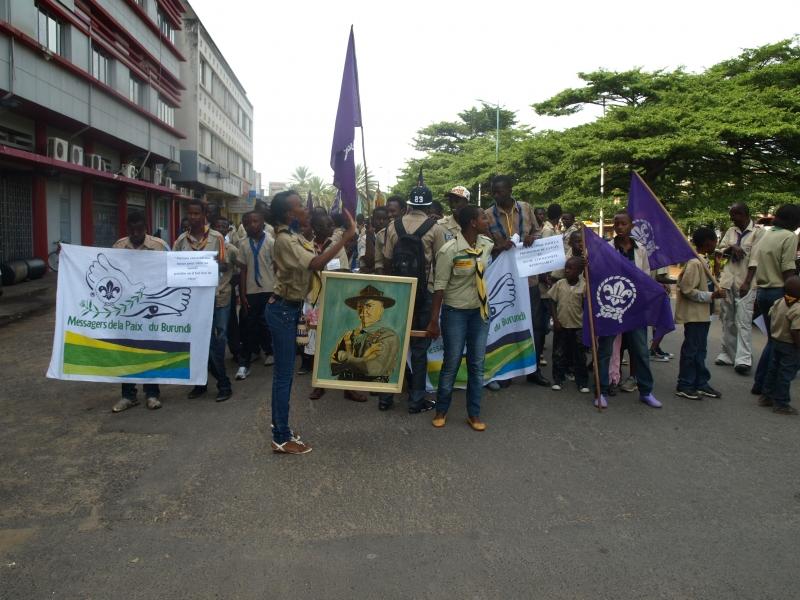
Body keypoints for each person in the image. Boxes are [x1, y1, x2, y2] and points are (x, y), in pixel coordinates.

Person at [267, 190, 355, 454]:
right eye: (299, 208)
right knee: (283, 377)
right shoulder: (284, 240)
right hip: (282, 310)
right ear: (288, 214)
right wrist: (346, 238)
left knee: (285, 377)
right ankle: (281, 437)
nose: (306, 210)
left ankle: (282, 428)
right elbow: (316, 263)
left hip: (289, 308)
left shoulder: (293, 236)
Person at [427, 205, 494, 431]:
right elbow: (439, 287)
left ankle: (473, 414)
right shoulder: (449, 250)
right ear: (473, 222)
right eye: (484, 217)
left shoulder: (487, 245)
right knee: (452, 362)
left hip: (480, 313)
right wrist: (434, 319)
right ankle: (441, 410)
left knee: (477, 364)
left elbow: (501, 250)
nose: (488, 220)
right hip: (455, 313)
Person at [382, 184, 447, 413]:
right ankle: (416, 400)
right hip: (423, 294)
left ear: (408, 205)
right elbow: (441, 264)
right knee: (419, 349)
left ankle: (385, 398)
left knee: (393, 344)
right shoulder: (435, 229)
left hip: (398, 294)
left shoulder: (393, 226)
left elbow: (388, 260)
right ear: (428, 206)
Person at [485, 175, 550, 387]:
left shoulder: (525, 208)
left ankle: (533, 369)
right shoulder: (488, 214)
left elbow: (537, 232)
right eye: (493, 192)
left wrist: (533, 238)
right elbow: (484, 245)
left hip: (529, 278)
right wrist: (497, 246)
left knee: (535, 324)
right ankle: (506, 371)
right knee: (506, 324)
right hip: (504, 281)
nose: (496, 195)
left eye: (500, 191)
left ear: (510, 189)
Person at [595, 211, 661, 409]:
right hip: (611, 306)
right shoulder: (606, 248)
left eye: (623, 223)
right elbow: (600, 274)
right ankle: (601, 391)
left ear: (631, 226)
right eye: (616, 224)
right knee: (606, 349)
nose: (619, 227)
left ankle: (646, 391)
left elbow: (647, 276)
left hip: (635, 307)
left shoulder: (640, 249)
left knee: (640, 350)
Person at [173, 200, 233, 403]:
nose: (193, 217)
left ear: (205, 214)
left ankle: (224, 384)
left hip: (213, 297)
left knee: (215, 343)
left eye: (197, 213)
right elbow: (173, 266)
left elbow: (226, 267)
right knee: (196, 343)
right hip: (191, 301)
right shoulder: (181, 240)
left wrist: (216, 263)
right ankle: (200, 383)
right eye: (190, 213)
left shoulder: (217, 238)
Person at [111, 211, 170, 413]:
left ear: (146, 228)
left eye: (140, 229)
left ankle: (152, 393)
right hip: (126, 308)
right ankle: (128, 395)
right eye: (132, 230)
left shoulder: (159, 247)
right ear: (127, 229)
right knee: (126, 351)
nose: (136, 234)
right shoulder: (119, 247)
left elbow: (169, 272)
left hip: (150, 307)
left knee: (149, 348)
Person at [307, 213, 366, 402]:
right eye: (326, 224)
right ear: (315, 227)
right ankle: (320, 385)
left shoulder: (336, 245)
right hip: (313, 300)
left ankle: (348, 388)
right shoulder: (306, 245)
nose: (331, 227)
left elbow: (343, 270)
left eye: (332, 224)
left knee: (344, 343)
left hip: (336, 299)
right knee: (317, 345)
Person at [751, 204, 800, 395]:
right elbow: (788, 269)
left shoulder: (766, 233)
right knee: (781, 343)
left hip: (763, 291)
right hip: (780, 291)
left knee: (772, 341)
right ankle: (769, 389)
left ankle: (760, 383)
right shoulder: (788, 237)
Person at [675, 227, 726, 400]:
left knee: (700, 350)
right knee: (692, 349)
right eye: (715, 241)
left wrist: (717, 270)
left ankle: (700, 382)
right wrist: (711, 295)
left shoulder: (702, 260)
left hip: (703, 314)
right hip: (694, 315)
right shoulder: (695, 263)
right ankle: (685, 384)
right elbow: (687, 289)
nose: (716, 245)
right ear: (708, 243)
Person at [714, 203, 764, 374]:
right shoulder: (731, 231)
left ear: (743, 214)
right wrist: (731, 247)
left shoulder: (758, 232)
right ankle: (727, 354)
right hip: (728, 280)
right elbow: (720, 250)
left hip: (746, 282)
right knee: (727, 319)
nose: (731, 218)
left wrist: (747, 282)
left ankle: (743, 359)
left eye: (734, 215)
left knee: (743, 321)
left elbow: (755, 260)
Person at [330, 285, 401, 383]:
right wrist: (365, 358)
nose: (363, 312)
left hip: (373, 389)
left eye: (369, 306)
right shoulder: (349, 335)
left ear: (381, 309)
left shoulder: (388, 336)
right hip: (346, 384)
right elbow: (334, 367)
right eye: (360, 307)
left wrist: (345, 357)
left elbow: (373, 369)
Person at [235, 211, 275, 381]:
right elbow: (243, 271)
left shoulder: (272, 242)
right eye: (248, 222)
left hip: (269, 289)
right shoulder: (243, 244)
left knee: (266, 323)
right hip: (251, 291)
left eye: (255, 221)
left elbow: (277, 267)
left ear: (262, 221)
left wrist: (277, 291)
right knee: (249, 326)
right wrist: (242, 294)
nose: (252, 225)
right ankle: (245, 363)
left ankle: (271, 351)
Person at [758, 275, 800, 415]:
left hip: (776, 341)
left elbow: (770, 315)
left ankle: (766, 396)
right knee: (785, 374)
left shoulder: (779, 302)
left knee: (773, 369)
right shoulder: (797, 309)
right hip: (790, 345)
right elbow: (796, 331)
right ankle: (781, 403)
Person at [549, 256, 590, 393]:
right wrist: (555, 320)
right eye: (566, 267)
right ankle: (558, 379)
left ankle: (582, 382)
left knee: (579, 355)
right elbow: (553, 302)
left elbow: (586, 307)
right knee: (559, 353)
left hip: (577, 326)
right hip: (561, 325)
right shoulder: (560, 284)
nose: (567, 270)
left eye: (571, 268)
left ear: (579, 271)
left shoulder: (584, 286)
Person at [360, 206, 390, 274]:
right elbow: (369, 262)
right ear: (372, 220)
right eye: (378, 219)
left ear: (388, 220)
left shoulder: (390, 237)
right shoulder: (364, 238)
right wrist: (369, 236)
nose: (381, 221)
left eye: (384, 219)